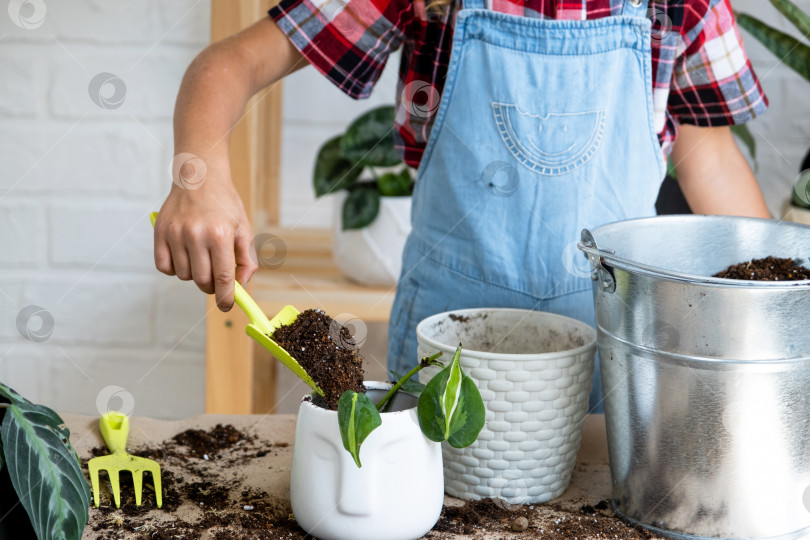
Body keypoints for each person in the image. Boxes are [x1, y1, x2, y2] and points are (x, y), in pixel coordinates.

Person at [154, 0, 771, 411]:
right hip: (443, 355)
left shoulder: (679, 5)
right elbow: (233, 62)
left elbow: (709, 158)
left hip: (611, 360)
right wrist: (198, 173)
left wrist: (779, 312)